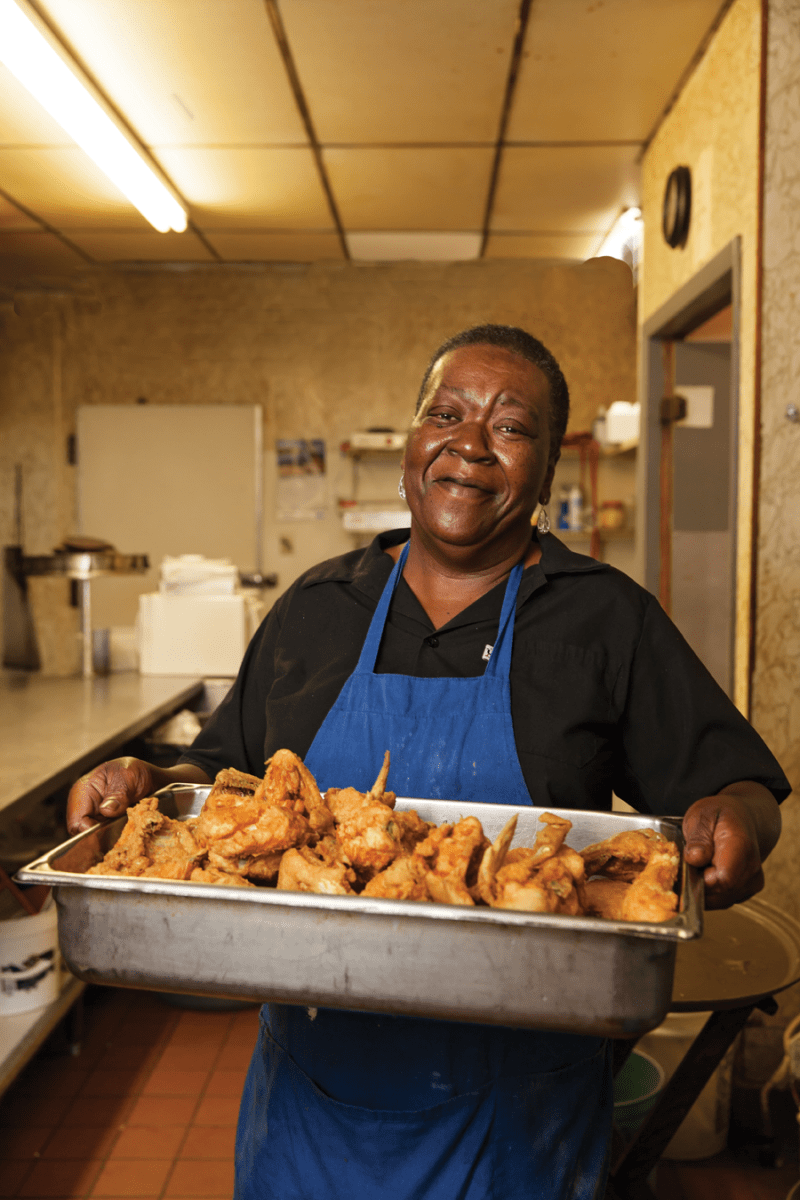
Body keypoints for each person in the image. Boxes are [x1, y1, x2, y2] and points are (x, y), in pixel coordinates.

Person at [68, 324, 789, 1200]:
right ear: (413, 442)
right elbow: (216, 790)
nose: (471, 444)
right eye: (445, 413)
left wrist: (737, 821)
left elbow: (740, 792)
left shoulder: (606, 622)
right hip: (313, 1113)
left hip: (519, 1122)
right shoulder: (318, 609)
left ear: (546, 468)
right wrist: (140, 790)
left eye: (511, 427)